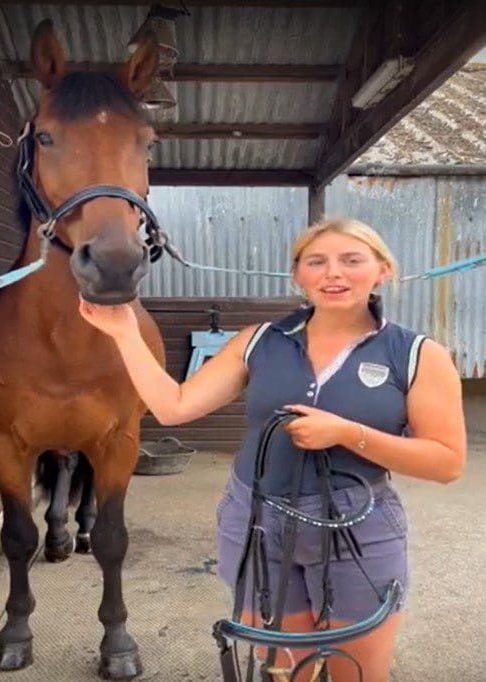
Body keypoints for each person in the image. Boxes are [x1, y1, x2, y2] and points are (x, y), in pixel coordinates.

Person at [79, 217, 466, 682]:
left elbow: (446, 462)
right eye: (316, 262)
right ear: (297, 275)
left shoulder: (417, 354)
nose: (333, 274)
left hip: (358, 525)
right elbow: (174, 406)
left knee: (358, 674)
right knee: (283, 672)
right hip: (258, 519)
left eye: (352, 260)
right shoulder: (260, 341)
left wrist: (347, 434)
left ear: (383, 270)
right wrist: (123, 332)